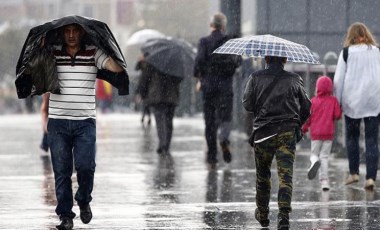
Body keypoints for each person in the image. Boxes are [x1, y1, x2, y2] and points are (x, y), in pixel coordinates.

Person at [46, 23, 124, 230]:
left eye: (75, 31)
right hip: (57, 122)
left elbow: (115, 67)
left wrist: (110, 49)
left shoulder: (93, 52)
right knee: (61, 171)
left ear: (82, 32)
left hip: (85, 123)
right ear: (62, 33)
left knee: (86, 166)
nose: (71, 35)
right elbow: (36, 71)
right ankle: (65, 216)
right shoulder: (52, 53)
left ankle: (83, 199)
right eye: (67, 31)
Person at [242, 56, 311, 230]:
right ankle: (284, 215)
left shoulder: (255, 77)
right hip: (286, 132)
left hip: (263, 134)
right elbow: (306, 107)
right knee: (285, 175)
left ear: (266, 58)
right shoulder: (294, 79)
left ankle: (263, 214)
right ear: (285, 60)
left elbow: (247, 104)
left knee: (263, 175)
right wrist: (297, 125)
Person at [334, 22, 380, 190]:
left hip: (352, 101)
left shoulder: (346, 52)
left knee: (352, 138)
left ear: (350, 36)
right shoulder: (377, 51)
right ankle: (371, 178)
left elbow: (338, 80)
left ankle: (354, 172)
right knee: (372, 140)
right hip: (374, 101)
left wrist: (337, 102)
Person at [193, 12, 241, 169]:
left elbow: (199, 61)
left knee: (209, 122)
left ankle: (212, 156)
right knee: (225, 117)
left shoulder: (204, 42)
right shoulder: (230, 42)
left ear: (211, 25)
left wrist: (200, 75)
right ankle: (224, 138)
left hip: (209, 87)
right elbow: (237, 62)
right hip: (226, 87)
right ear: (224, 26)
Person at [302, 76, 342, 191]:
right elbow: (338, 115)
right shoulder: (333, 100)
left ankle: (314, 161)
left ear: (317, 88)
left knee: (314, 154)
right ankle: (324, 182)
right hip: (328, 134)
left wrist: (303, 129)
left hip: (316, 134)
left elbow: (307, 119)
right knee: (324, 157)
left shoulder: (313, 101)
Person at [136, 57, 182, 155]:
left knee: (160, 120)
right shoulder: (174, 62)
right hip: (171, 96)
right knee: (169, 121)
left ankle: (162, 143)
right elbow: (180, 78)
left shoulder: (152, 61)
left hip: (157, 95)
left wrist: (142, 93)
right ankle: (166, 144)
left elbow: (145, 78)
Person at [134, 55, 151, 125]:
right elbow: (136, 68)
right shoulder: (142, 63)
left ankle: (145, 116)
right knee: (145, 102)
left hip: (148, 85)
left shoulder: (150, 63)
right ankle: (146, 116)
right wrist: (139, 61)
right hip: (142, 85)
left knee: (146, 102)